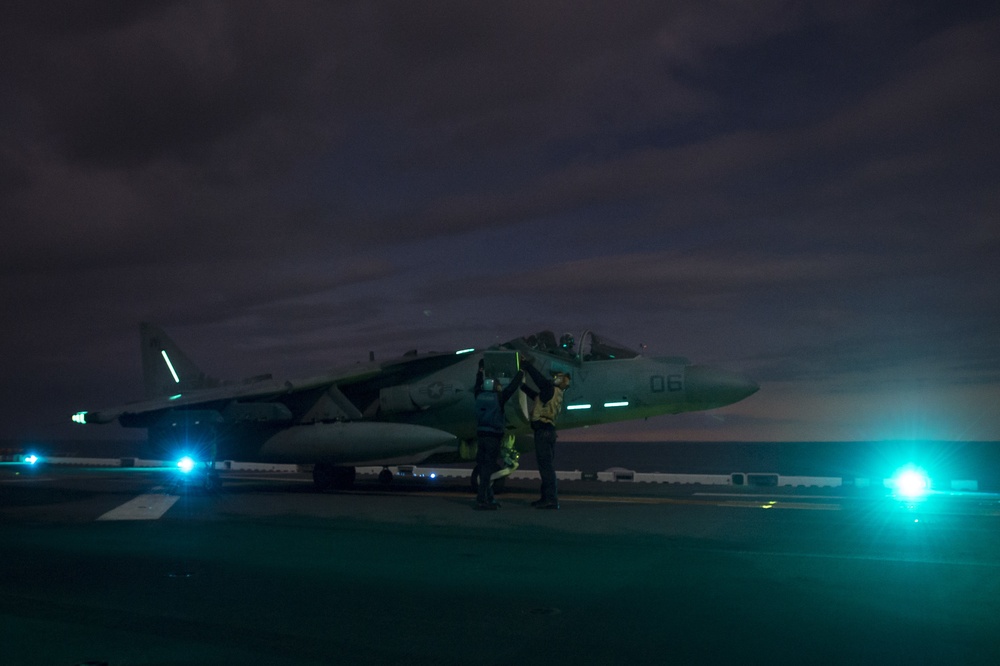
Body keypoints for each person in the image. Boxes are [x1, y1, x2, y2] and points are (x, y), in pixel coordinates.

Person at [473, 360, 524, 510]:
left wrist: (480, 370)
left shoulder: (479, 395)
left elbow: (477, 385)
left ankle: (489, 498)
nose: (500, 387)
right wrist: (521, 372)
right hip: (492, 438)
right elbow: (512, 387)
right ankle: (482, 500)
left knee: (483, 468)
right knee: (488, 471)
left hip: (481, 437)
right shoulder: (498, 398)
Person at [521, 360, 570, 509]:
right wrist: (522, 387)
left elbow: (540, 381)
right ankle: (546, 498)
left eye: (557, 376)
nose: (554, 378)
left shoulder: (550, 389)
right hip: (549, 432)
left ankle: (550, 499)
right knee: (546, 467)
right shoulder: (556, 393)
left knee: (546, 468)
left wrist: (527, 365)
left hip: (542, 432)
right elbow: (537, 396)